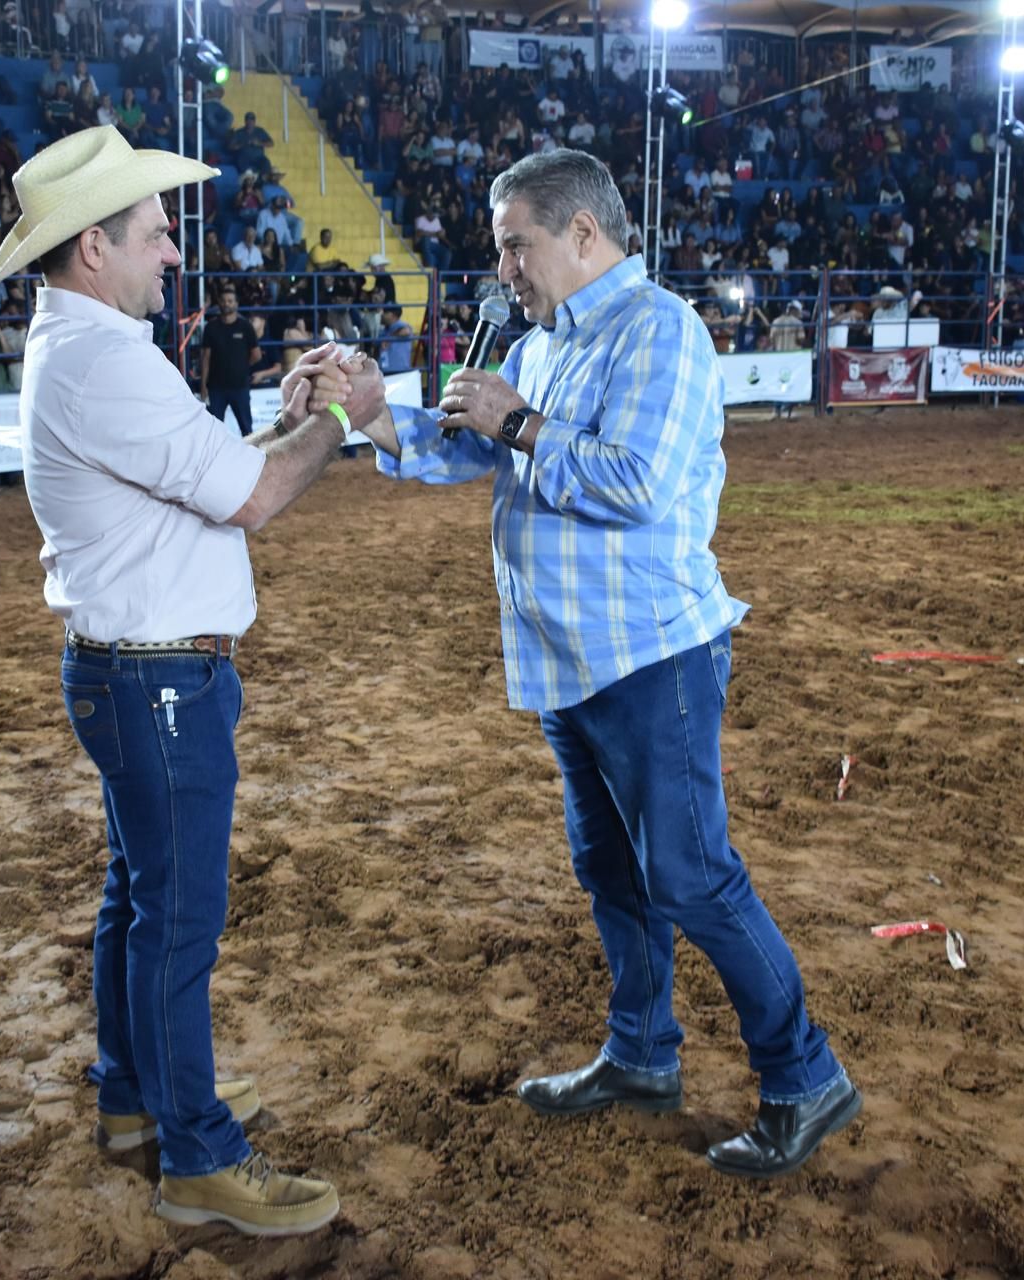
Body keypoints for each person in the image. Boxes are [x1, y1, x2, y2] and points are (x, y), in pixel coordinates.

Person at [324, 149, 861, 1181]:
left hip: (650, 653)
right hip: (574, 657)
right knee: (612, 868)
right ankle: (641, 1051)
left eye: (516, 246)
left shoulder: (660, 330)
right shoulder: (542, 343)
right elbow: (466, 450)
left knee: (693, 875)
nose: (506, 270)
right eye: (500, 251)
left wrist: (518, 422)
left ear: (582, 233)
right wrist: (375, 415)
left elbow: (636, 484)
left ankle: (805, 1073)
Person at [0, 125, 382, 1237]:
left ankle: (134, 1095)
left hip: (132, 673)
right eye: (154, 233)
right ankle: (198, 1152)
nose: (172, 250)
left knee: (140, 899)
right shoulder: (105, 356)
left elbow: (202, 477)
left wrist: (286, 422)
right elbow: (251, 500)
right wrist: (342, 420)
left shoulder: (81, 346)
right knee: (177, 920)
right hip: (161, 681)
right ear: (90, 249)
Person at [200, 288, 258, 436]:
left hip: (240, 387)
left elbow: (256, 355)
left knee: (247, 430)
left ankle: (250, 459)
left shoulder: (245, 327)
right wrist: (203, 385)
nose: (226, 304)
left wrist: (242, 367)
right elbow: (206, 358)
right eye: (224, 300)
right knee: (214, 432)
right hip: (216, 388)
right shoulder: (210, 327)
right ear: (219, 303)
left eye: (230, 301)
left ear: (236, 304)